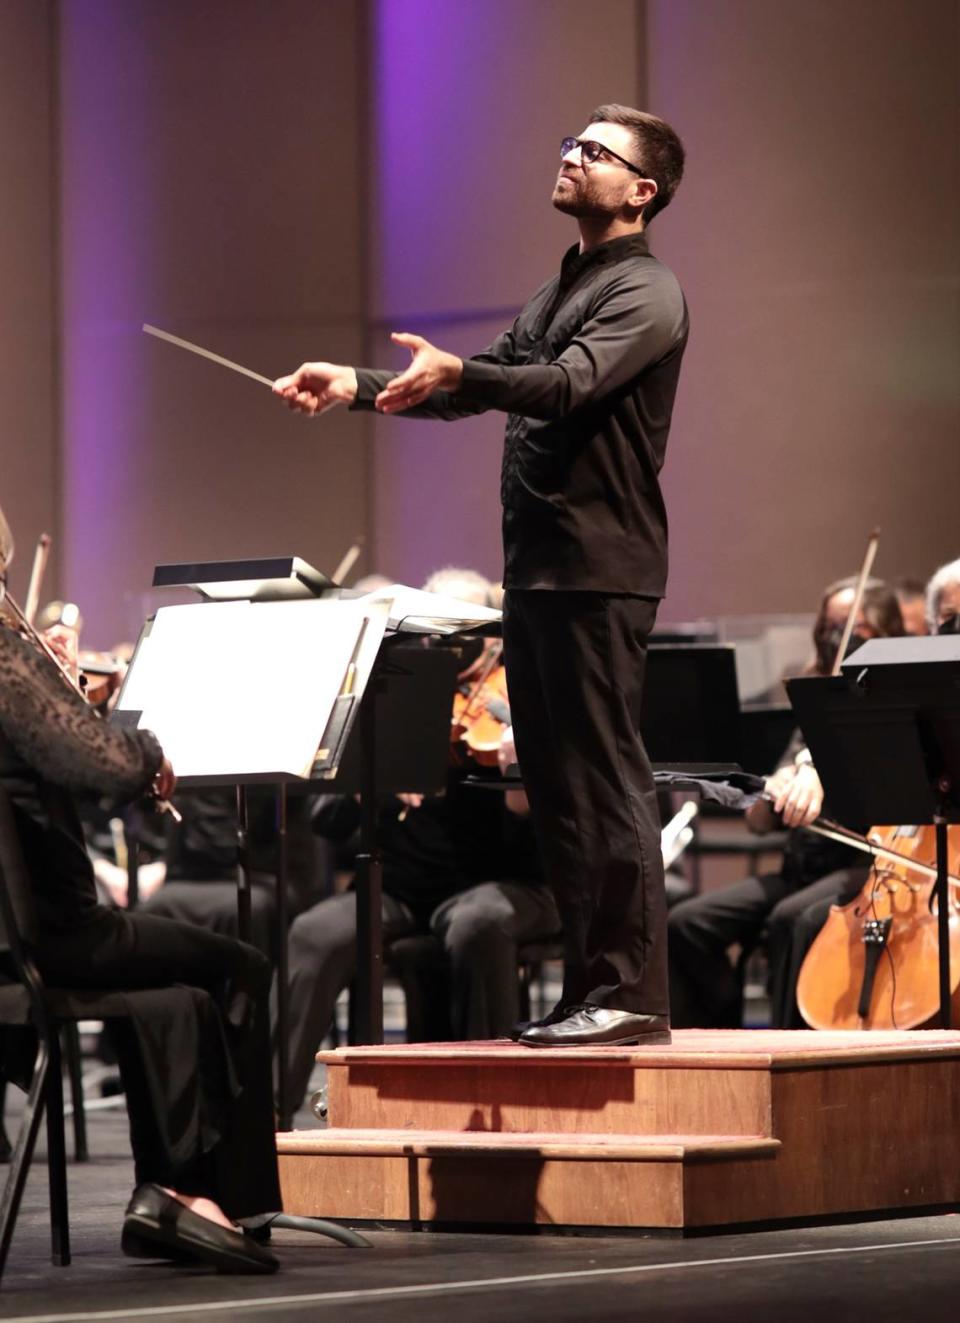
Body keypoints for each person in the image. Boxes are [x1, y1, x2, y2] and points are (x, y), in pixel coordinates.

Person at [273, 105, 688, 1048]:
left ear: (641, 189)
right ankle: (594, 989)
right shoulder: (557, 291)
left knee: (603, 778)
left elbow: (567, 384)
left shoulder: (649, 293)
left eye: (595, 151)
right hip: (538, 572)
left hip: (599, 569)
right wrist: (359, 384)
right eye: (570, 143)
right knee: (556, 782)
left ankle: (629, 995)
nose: (571, 155)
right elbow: (481, 379)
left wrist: (464, 373)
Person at [0, 508, 280, 1274]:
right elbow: (98, 768)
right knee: (238, 965)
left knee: (177, 996)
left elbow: (44, 767)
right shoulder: (2, 656)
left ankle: (172, 1193)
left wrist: (67, 697)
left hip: (14, 942)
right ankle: (229, 1201)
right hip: (55, 934)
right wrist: (144, 745)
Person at [277, 568, 560, 1108]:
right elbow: (324, 820)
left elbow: (549, 842)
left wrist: (521, 789)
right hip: (404, 889)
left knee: (477, 921)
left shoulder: (524, 695)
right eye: (434, 633)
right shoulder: (400, 694)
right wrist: (373, 783)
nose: (447, 648)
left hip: (501, 881)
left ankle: (487, 1096)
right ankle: (270, 1107)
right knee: (316, 932)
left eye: (465, 634)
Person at [668, 578, 905, 1029]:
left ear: (886, 635)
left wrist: (816, 771)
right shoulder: (814, 703)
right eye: (829, 629)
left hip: (866, 867)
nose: (838, 639)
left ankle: (788, 1048)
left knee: (790, 919)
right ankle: (719, 1031)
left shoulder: (887, 705)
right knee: (687, 923)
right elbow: (761, 824)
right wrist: (772, 790)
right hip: (801, 871)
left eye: (853, 629)